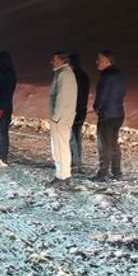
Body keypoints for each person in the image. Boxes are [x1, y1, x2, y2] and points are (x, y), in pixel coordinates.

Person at [92, 50, 127, 180]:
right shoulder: (119, 74)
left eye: (99, 60)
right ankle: (116, 171)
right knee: (113, 142)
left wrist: (97, 107)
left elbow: (103, 95)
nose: (97, 62)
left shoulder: (106, 76)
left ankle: (102, 173)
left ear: (107, 61)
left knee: (104, 144)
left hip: (107, 113)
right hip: (118, 112)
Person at [47, 51, 78, 187]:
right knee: (59, 146)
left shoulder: (64, 74)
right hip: (62, 116)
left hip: (61, 117)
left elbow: (61, 97)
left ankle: (63, 176)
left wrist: (55, 116)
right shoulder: (64, 73)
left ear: (60, 60)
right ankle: (61, 174)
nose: (51, 62)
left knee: (60, 146)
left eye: (53, 59)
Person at [69, 54, 90, 172]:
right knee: (77, 135)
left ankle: (75, 162)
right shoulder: (84, 76)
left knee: (72, 137)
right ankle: (77, 162)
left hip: (74, 110)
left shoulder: (74, 76)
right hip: (82, 110)